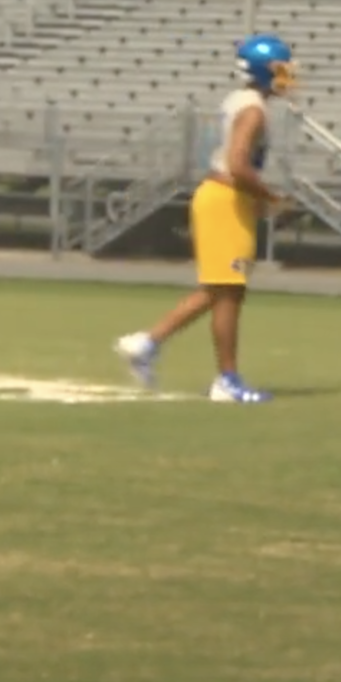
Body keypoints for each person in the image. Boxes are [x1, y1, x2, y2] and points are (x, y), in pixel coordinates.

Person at [113, 33, 291, 404]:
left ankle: (148, 343)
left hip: (223, 197)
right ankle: (224, 378)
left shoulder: (240, 101)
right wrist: (269, 195)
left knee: (224, 289)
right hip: (226, 198)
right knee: (227, 291)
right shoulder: (253, 108)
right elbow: (239, 163)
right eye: (279, 67)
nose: (286, 75)